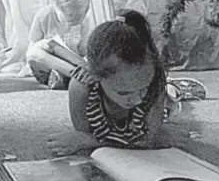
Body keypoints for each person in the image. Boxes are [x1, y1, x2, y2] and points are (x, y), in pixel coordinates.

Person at [46, 10, 205, 157]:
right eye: (123, 92)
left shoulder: (155, 83)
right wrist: (85, 139)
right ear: (97, 77)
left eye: (143, 89)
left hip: (161, 95)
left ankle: (174, 89)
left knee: (169, 104)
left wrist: (87, 141)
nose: (137, 100)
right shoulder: (82, 88)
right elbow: (84, 133)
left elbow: (148, 139)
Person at [24, 0, 93, 90]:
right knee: (34, 52)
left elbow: (85, 50)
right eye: (66, 18)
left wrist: (86, 59)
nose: (69, 24)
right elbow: (32, 51)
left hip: (72, 64)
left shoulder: (85, 20)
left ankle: (72, 77)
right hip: (48, 65)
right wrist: (45, 45)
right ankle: (78, 77)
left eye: (75, 22)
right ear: (55, 6)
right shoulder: (44, 15)